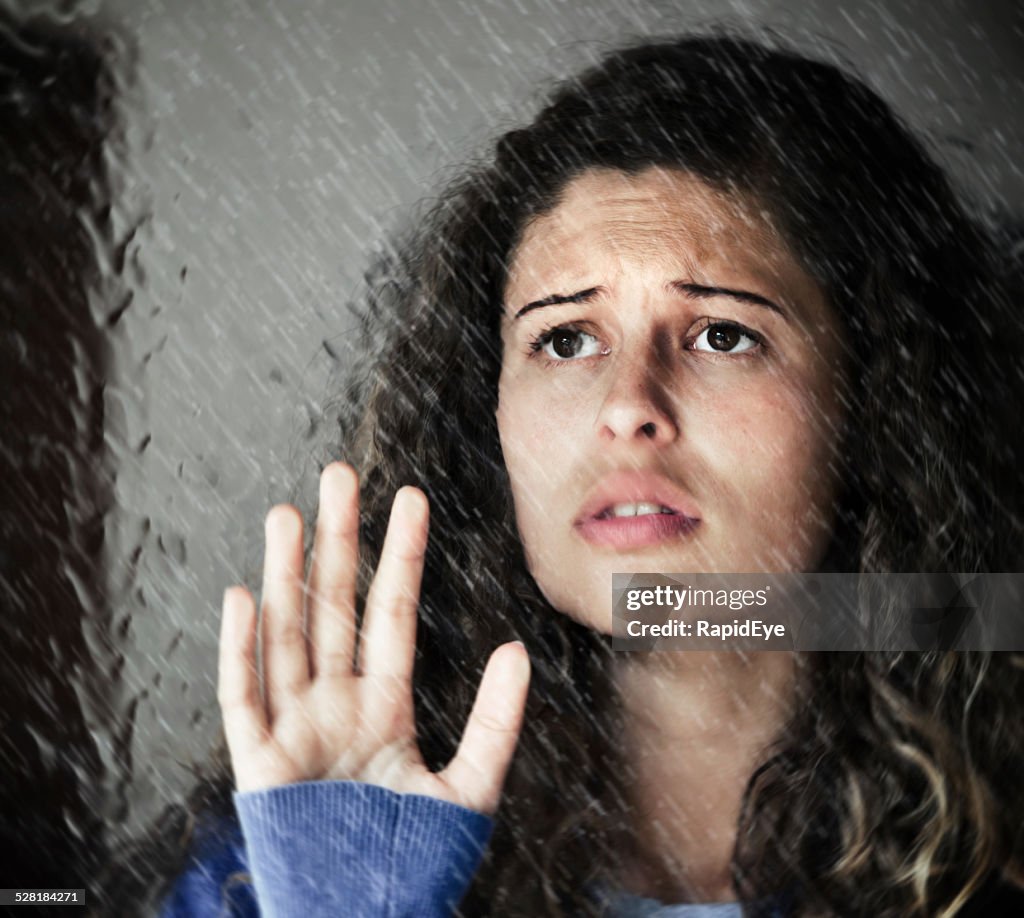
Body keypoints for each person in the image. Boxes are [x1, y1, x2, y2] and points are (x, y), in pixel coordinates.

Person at [111, 31, 1024, 918]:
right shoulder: (292, 858)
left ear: (872, 402)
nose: (628, 405)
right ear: (491, 417)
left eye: (722, 334)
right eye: (566, 338)